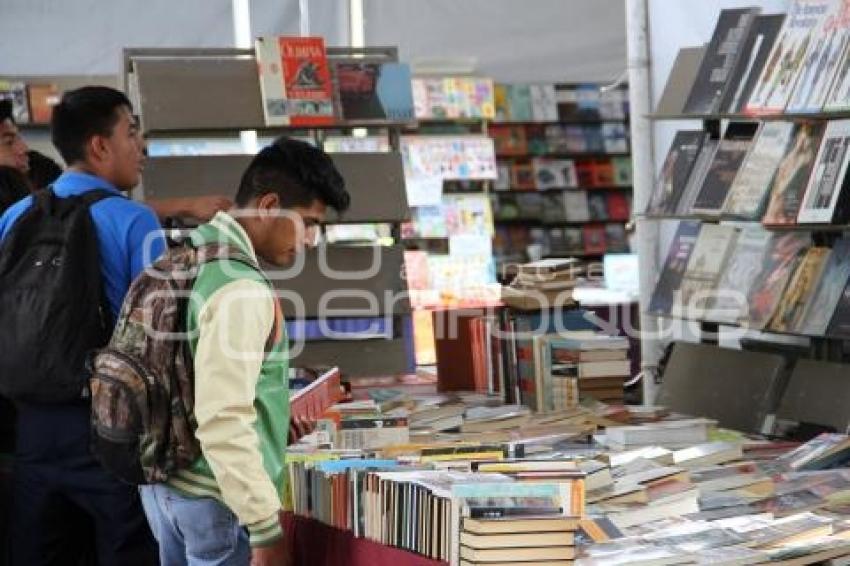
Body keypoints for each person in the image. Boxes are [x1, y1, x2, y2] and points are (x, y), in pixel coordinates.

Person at [139, 137, 350, 566]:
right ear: (270, 205)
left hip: (165, 487)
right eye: (307, 222)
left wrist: (270, 422)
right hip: (218, 503)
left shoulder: (189, 255)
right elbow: (223, 418)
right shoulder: (240, 287)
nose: (309, 240)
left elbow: (191, 376)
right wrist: (265, 528)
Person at [0, 86, 164, 565]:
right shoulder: (136, 221)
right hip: (111, 429)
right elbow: (156, 341)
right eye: (131, 133)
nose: (141, 149)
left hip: (30, 425)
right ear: (100, 146)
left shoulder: (15, 216)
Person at [0, 98, 233, 221]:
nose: (22, 148)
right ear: (100, 145)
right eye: (9, 141)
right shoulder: (133, 222)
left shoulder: (27, 196)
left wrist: (185, 206)